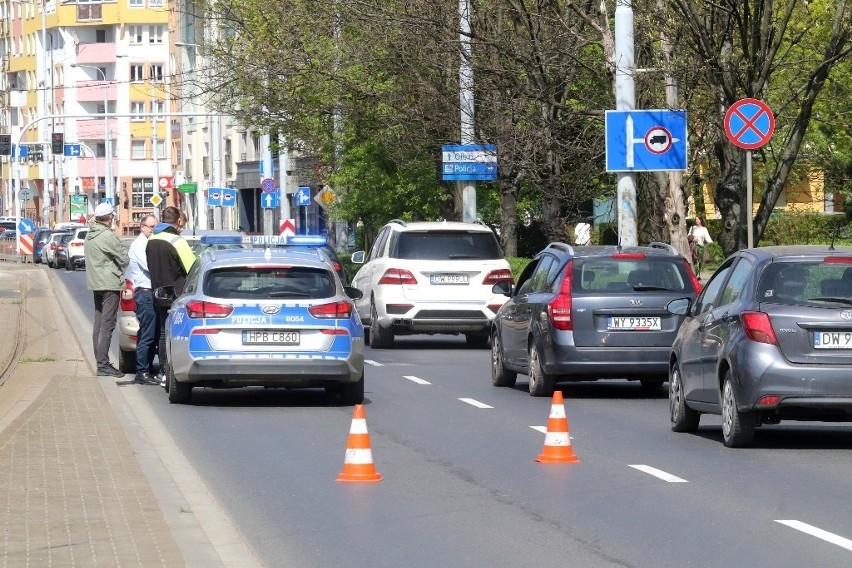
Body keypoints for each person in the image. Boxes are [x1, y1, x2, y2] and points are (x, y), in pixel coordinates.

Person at [147, 206, 197, 384]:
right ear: (178, 221)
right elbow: (192, 268)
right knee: (177, 335)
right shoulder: (177, 241)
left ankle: (163, 371)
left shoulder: (152, 239)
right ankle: (174, 372)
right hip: (177, 295)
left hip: (158, 292)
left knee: (162, 333)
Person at [84, 202, 129, 377]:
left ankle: (100, 361)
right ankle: (103, 364)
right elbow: (124, 259)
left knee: (99, 323)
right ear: (110, 217)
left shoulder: (90, 235)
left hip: (96, 283)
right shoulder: (107, 236)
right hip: (110, 283)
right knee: (107, 324)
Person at [126, 214, 160, 385]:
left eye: (156, 226)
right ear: (142, 227)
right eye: (151, 227)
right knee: (147, 334)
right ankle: (142, 371)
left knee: (153, 334)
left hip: (151, 293)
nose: (154, 230)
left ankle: (148, 369)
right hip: (145, 293)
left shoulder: (148, 243)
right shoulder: (139, 245)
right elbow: (150, 266)